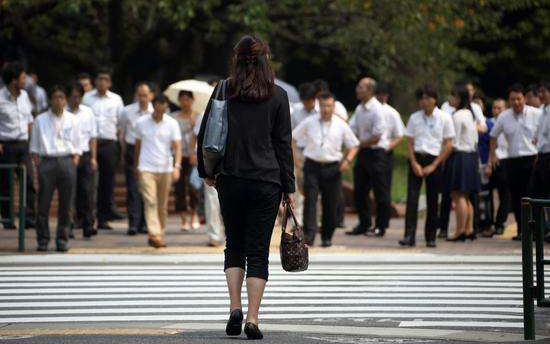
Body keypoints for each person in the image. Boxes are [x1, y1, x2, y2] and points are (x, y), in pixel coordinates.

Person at [197, 35, 295, 340]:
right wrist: (288, 187)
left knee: (234, 245)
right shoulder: (278, 95)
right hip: (266, 181)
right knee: (258, 251)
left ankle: (234, 307)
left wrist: (207, 170)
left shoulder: (225, 89)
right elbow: (283, 145)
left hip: (231, 179)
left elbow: (206, 133)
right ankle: (252, 318)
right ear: (266, 59)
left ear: (236, 60)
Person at [292, 91, 359, 247]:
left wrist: (347, 160)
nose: (325, 109)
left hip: (332, 167)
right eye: (322, 106)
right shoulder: (310, 121)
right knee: (310, 201)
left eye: (329, 106)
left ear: (333, 106)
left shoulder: (341, 124)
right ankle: (309, 235)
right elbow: (293, 138)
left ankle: (327, 236)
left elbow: (354, 145)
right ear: (318, 106)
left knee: (331, 203)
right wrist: (296, 161)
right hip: (312, 166)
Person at [399, 84, 455, 248]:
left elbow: (448, 144)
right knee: (412, 199)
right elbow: (409, 142)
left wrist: (435, 164)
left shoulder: (444, 117)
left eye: (427, 98)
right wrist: (414, 162)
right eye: (421, 98)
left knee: (432, 200)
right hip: (417, 158)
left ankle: (430, 236)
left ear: (434, 99)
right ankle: (409, 235)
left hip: (434, 159)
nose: (424, 102)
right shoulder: (415, 117)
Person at [488, 84, 542, 241]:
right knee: (517, 197)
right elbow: (493, 136)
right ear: (509, 101)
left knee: (533, 196)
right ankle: (522, 230)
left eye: (519, 99)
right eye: (513, 99)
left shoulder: (536, 114)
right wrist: (493, 156)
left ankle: (538, 230)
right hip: (513, 161)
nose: (516, 102)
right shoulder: (504, 116)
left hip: (533, 159)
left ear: (524, 98)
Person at [30, 85, 80, 252]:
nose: (58, 100)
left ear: (65, 100)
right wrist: (39, 166)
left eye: (61, 97)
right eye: (55, 97)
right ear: (50, 100)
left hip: (67, 160)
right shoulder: (40, 119)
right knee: (43, 203)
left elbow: (78, 144)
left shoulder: (72, 119)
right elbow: (35, 148)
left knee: (66, 205)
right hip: (47, 161)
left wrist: (74, 160)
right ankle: (43, 240)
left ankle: (62, 240)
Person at [134, 94, 182, 248]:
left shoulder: (172, 123)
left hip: (165, 168)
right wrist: (137, 166)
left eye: (163, 104)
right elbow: (137, 146)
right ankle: (154, 233)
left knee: (161, 204)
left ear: (166, 106)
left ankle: (158, 233)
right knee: (150, 201)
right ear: (153, 105)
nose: (160, 106)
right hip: (146, 167)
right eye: (158, 103)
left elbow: (177, 147)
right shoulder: (142, 122)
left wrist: (177, 166)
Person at [82, 68, 124, 230]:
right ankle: (86, 218)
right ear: (95, 81)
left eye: (105, 79)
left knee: (107, 183)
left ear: (110, 82)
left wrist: (119, 149)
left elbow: (120, 125)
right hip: (90, 143)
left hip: (109, 144)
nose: (102, 82)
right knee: (89, 183)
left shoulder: (116, 100)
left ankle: (103, 218)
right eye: (99, 79)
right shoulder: (87, 98)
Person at [346, 77, 389, 236]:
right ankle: (364, 223)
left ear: (370, 90)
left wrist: (358, 143)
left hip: (377, 153)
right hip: (364, 151)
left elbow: (377, 136)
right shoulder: (360, 108)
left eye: (360, 87)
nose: (357, 89)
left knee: (380, 190)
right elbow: (351, 128)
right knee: (360, 190)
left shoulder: (377, 109)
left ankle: (380, 226)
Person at [0, 62, 37, 230]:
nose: (25, 80)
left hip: (23, 145)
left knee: (29, 180)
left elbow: (29, 120)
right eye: (23, 77)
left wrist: (32, 143)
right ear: (14, 80)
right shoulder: (0, 98)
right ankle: (8, 218)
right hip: (6, 145)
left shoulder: (25, 96)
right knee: (6, 183)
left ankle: (30, 217)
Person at [445, 83, 481, 242]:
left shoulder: (457, 115)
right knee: (465, 196)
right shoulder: (469, 113)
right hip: (471, 155)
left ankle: (460, 230)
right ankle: (469, 228)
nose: (449, 99)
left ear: (459, 98)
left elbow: (453, 141)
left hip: (460, 156)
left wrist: (442, 156)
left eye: (452, 96)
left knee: (457, 194)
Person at [119, 82, 152, 236]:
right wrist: (124, 152)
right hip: (132, 151)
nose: (142, 98)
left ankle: (145, 224)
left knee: (146, 189)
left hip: (149, 151)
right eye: (140, 95)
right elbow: (122, 132)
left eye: (145, 95)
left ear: (150, 95)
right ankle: (133, 223)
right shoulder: (127, 111)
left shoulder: (155, 110)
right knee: (132, 189)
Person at [372, 83, 405, 236]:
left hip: (384, 152)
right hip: (370, 151)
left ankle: (382, 224)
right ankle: (372, 223)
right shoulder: (370, 110)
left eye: (382, 95)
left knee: (383, 190)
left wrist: (388, 147)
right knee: (373, 190)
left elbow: (399, 135)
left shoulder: (392, 113)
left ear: (386, 96)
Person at [67, 83, 98, 239]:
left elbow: (92, 137)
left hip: (85, 155)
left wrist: (93, 158)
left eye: (78, 97)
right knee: (69, 193)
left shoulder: (88, 112)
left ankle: (88, 225)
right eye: (73, 96)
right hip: (68, 155)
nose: (76, 100)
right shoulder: (62, 112)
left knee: (86, 192)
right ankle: (69, 226)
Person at [193, 110, 225, 246]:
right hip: (214, 160)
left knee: (215, 199)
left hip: (220, 160)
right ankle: (215, 235)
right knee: (212, 199)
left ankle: (217, 234)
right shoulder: (207, 111)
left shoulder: (209, 110)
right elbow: (199, 138)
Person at [170, 90, 200, 231]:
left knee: (194, 187)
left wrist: (195, 125)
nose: (185, 102)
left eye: (187, 99)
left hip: (193, 156)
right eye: (182, 99)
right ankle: (184, 219)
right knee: (180, 188)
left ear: (192, 100)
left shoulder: (198, 116)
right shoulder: (173, 118)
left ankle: (194, 214)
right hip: (178, 156)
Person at [291, 82, 319, 224]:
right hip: (299, 151)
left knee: (316, 189)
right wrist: (295, 158)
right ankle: (298, 222)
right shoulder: (295, 111)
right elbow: (291, 136)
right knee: (298, 188)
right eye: (306, 101)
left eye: (311, 100)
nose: (309, 104)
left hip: (315, 152)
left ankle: (316, 221)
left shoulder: (322, 110)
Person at [482, 98, 510, 236]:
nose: (497, 111)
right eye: (494, 108)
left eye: (500, 108)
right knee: (488, 195)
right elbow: (490, 146)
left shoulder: (509, 121)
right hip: (493, 161)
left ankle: (500, 223)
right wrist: (488, 163)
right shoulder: (489, 123)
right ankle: (488, 223)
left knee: (505, 195)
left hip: (507, 160)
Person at [534, 81, 550, 243]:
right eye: (539, 92)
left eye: (544, 91)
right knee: (541, 193)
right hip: (543, 155)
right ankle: (545, 227)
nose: (541, 95)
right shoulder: (543, 111)